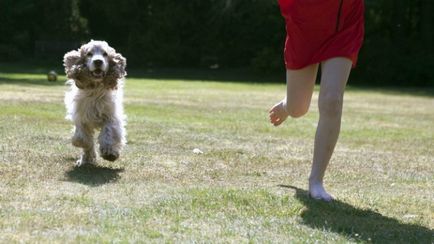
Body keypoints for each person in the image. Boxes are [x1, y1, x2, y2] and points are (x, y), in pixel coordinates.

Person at [269, 0, 364, 201]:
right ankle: (288, 105)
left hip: (344, 22)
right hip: (304, 22)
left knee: (332, 101)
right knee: (298, 108)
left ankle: (316, 180)